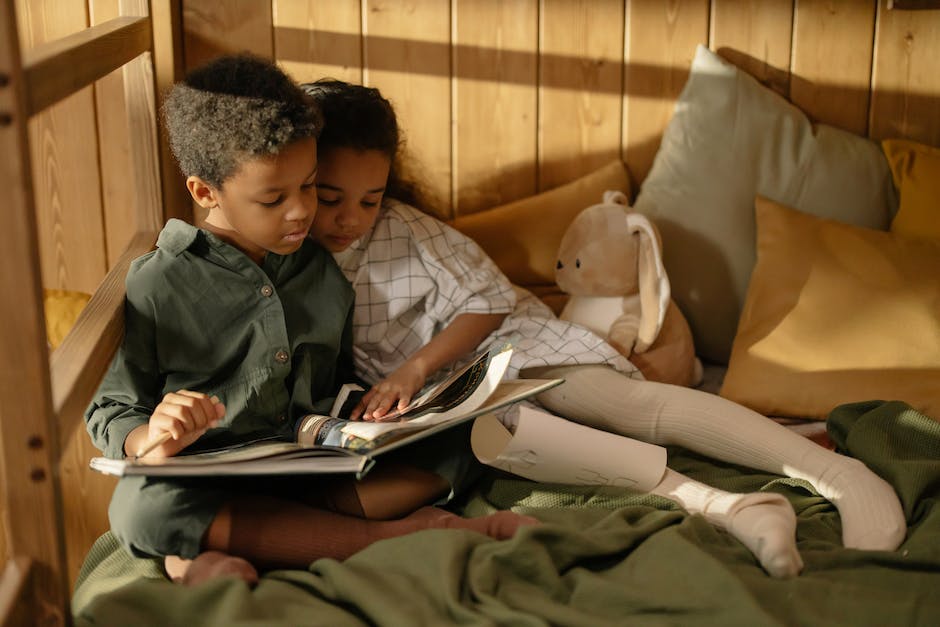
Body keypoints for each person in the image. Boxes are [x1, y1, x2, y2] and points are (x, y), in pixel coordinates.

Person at [301, 78, 908, 579]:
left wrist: (415, 367)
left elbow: (487, 301)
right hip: (448, 405)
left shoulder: (407, 230)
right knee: (546, 449)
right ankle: (738, 510)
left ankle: (840, 476)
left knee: (623, 406)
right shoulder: (293, 253)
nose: (350, 219)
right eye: (331, 199)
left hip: (506, 346)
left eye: (369, 200)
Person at [84, 55, 536, 588]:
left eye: (309, 187)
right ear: (206, 193)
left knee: (469, 437)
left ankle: (212, 556)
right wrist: (150, 436)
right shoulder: (158, 283)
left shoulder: (321, 269)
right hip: (210, 476)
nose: (301, 211)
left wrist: (378, 415)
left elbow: (337, 378)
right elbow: (111, 410)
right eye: (274, 198)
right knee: (140, 509)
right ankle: (393, 537)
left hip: (313, 468)